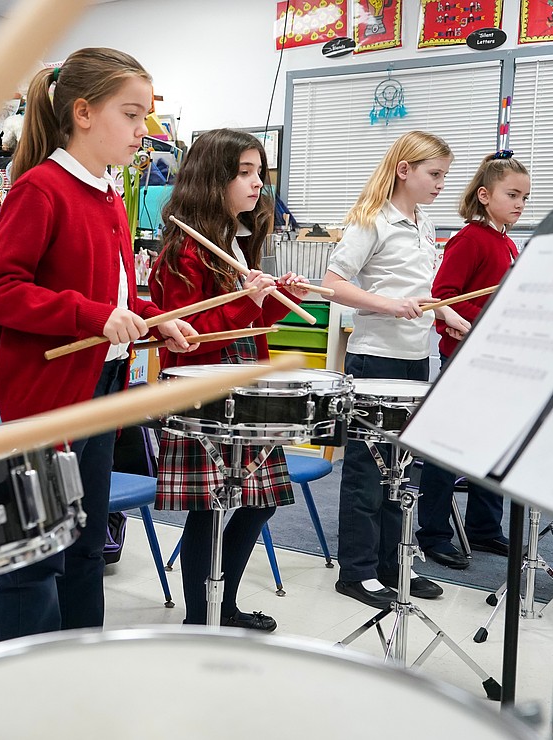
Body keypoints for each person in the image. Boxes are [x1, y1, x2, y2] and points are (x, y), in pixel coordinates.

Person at [0, 47, 197, 643]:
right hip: (44, 400)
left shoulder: (109, 195)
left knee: (83, 545)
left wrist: (156, 319)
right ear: (83, 113)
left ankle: (75, 674)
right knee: (36, 559)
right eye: (131, 115)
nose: (143, 132)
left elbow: (113, 293)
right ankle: (26, 692)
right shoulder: (41, 190)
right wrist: (92, 318)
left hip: (100, 391)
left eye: (146, 117)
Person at [149, 129, 310, 630]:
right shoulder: (183, 251)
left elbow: (248, 321)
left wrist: (275, 293)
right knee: (209, 511)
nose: (257, 183)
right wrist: (251, 301)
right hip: (206, 388)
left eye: (259, 172)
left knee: (261, 499)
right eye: (244, 173)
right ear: (211, 178)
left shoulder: (234, 243)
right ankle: (202, 616)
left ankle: (225, 604)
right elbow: (187, 340)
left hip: (244, 383)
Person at [321, 131, 470, 609]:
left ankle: (389, 565)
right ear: (404, 170)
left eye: (445, 175)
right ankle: (357, 571)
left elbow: (420, 292)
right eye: (435, 174)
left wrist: (443, 311)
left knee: (398, 472)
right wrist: (388, 305)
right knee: (366, 470)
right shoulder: (372, 220)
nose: (442, 184)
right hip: (374, 357)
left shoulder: (424, 224)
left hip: (413, 358)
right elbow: (332, 285)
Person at [415, 151, 530, 568]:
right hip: (465, 360)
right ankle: (433, 534)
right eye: (512, 194)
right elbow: (444, 297)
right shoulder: (471, 238)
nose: (520, 204)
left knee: (492, 448)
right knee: (446, 452)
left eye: (525, 198)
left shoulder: (506, 241)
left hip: (498, 360)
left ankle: (484, 528)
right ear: (484, 195)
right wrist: (469, 327)